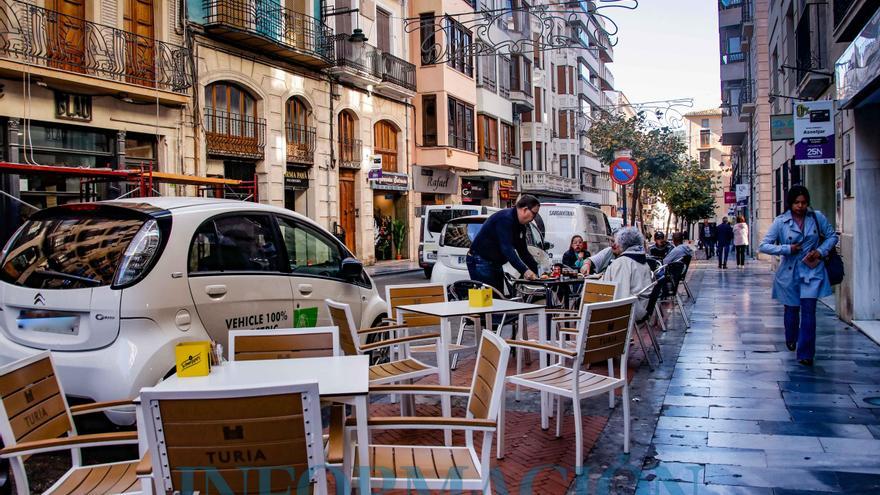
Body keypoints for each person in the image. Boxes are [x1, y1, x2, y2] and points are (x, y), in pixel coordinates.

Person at [759, 185, 838, 366]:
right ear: (790, 203)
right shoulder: (780, 222)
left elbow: (832, 236)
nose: (800, 206)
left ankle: (806, 353)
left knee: (809, 311)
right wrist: (787, 248)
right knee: (792, 309)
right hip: (789, 272)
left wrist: (820, 251)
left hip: (812, 269)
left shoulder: (817, 217)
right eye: (796, 203)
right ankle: (791, 337)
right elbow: (764, 245)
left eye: (803, 202)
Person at [467, 194, 541, 293]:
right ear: (525, 209)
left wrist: (538, 272)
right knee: (489, 297)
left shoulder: (521, 226)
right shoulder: (505, 219)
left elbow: (523, 252)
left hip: (495, 262)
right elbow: (507, 248)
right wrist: (524, 271)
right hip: (481, 260)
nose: (534, 218)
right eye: (534, 214)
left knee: (498, 295)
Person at [602, 227, 653, 320]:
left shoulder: (622, 262)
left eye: (615, 242)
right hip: (642, 306)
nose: (614, 244)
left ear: (621, 244)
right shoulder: (643, 261)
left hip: (631, 310)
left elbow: (621, 294)